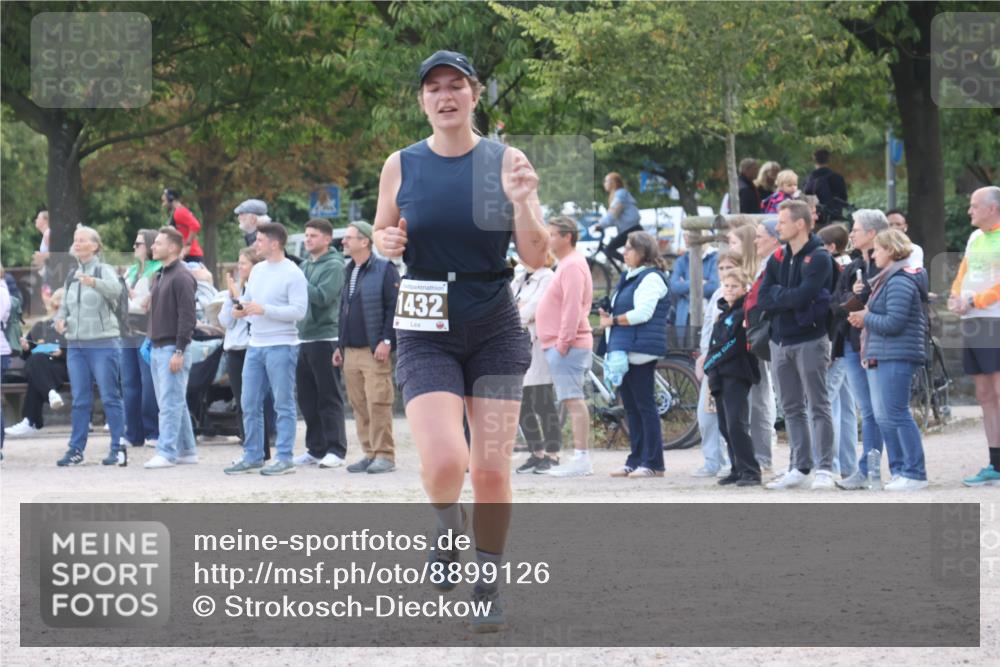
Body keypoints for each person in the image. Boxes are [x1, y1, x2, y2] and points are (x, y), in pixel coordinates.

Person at [372, 50, 544, 632]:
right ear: (422, 100)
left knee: (491, 469)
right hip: (424, 323)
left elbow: (537, 256)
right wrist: (386, 242)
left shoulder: (505, 160)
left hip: (492, 320)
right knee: (446, 461)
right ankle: (448, 529)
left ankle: (488, 581)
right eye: (434, 88)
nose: (445, 96)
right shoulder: (400, 164)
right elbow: (383, 228)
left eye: (456, 86)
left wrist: (523, 201)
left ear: (474, 94)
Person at [758, 200, 837, 490]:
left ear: (800, 224)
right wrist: (787, 296)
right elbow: (763, 297)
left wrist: (781, 295)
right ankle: (799, 467)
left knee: (818, 405)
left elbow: (806, 295)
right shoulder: (777, 258)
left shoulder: (819, 258)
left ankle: (825, 468)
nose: (777, 227)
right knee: (790, 408)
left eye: (782, 222)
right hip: (780, 341)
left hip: (810, 340)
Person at [224, 222, 308, 476]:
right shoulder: (258, 270)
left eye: (260, 240)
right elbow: (250, 301)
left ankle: (284, 458)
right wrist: (241, 309)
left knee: (283, 404)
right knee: (248, 402)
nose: (255, 244)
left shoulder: (293, 273)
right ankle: (253, 455)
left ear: (275, 243)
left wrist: (264, 310)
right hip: (255, 344)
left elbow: (299, 311)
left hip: (282, 345)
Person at [847, 229, 929, 490]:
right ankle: (900, 471)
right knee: (885, 416)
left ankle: (914, 473)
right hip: (883, 352)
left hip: (896, 354)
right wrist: (866, 318)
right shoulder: (888, 279)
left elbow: (894, 322)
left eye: (878, 249)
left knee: (896, 413)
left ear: (892, 250)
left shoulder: (899, 281)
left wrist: (866, 317)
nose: (873, 255)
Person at [53, 226, 127, 467]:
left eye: (82, 240)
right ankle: (76, 449)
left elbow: (117, 291)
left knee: (110, 396)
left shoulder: (104, 270)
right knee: (80, 400)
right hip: (76, 345)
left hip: (103, 343)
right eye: (75, 240)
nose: (77, 243)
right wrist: (60, 320)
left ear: (95, 246)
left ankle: (118, 449)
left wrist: (93, 282)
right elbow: (64, 306)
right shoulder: (71, 275)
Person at [599, 231, 670, 477]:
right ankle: (636, 458)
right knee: (631, 408)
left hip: (640, 349)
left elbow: (642, 313)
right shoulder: (630, 276)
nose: (624, 252)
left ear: (642, 252)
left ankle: (653, 463)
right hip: (625, 349)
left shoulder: (651, 278)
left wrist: (613, 320)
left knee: (645, 407)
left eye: (629, 248)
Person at [334, 221, 401, 474]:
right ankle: (370, 452)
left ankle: (385, 455)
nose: (343, 241)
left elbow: (394, 307)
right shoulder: (349, 270)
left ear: (364, 241)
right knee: (359, 404)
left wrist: (387, 340)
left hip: (374, 351)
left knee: (378, 402)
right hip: (350, 351)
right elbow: (343, 310)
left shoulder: (385, 269)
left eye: (349, 237)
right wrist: (339, 345)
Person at [833, 209, 890, 489]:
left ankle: (895, 469)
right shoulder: (852, 266)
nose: (851, 234)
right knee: (866, 410)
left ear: (871, 233)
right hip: (852, 343)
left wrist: (863, 297)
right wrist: (853, 297)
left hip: (876, 343)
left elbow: (886, 301)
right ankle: (866, 470)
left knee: (880, 410)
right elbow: (835, 300)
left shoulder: (888, 265)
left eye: (855, 229)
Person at [536, 216, 594, 477]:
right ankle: (580, 457)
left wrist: (563, 343)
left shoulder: (572, 265)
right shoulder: (567, 264)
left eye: (552, 234)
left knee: (573, 399)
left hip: (568, 345)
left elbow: (572, 306)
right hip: (562, 345)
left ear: (567, 237)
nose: (547, 239)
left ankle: (582, 458)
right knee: (571, 399)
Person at [293, 218, 349, 470]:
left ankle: (336, 449)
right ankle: (315, 449)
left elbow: (323, 297)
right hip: (303, 337)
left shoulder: (334, 266)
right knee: (307, 399)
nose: (308, 240)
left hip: (325, 338)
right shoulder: (305, 265)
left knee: (329, 397)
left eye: (313, 235)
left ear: (327, 239)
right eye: (306, 235)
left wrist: (299, 281)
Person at [954, 187, 1000, 487]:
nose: (969, 211)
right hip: (973, 322)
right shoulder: (974, 238)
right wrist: (955, 297)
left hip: (995, 320)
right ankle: (995, 464)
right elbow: (963, 273)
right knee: (984, 395)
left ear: (992, 208)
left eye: (974, 205)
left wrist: (975, 300)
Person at [144, 227, 199, 469]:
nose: (153, 247)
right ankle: (187, 450)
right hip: (158, 347)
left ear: (173, 248)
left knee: (170, 403)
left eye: (158, 243)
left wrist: (179, 350)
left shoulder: (182, 276)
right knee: (174, 401)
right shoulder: (161, 275)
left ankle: (166, 451)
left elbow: (188, 317)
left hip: (172, 348)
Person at [705, 267, 761, 486]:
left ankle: (751, 471)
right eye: (726, 286)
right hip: (719, 373)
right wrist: (710, 365)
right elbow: (714, 342)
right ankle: (736, 468)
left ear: (744, 288)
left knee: (737, 423)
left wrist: (712, 361)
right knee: (724, 425)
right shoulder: (722, 313)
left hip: (737, 372)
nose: (729, 290)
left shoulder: (743, 312)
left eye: (734, 286)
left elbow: (735, 344)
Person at [725, 222, 773, 471]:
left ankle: (762, 456)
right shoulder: (734, 273)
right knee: (738, 404)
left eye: (733, 242)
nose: (729, 247)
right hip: (736, 344)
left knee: (759, 400)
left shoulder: (760, 271)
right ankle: (740, 457)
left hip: (755, 341)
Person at [219, 247, 274, 461]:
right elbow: (225, 320)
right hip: (234, 350)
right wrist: (232, 301)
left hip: (251, 348)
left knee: (254, 402)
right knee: (241, 403)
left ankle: (260, 450)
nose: (239, 267)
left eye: (243, 263)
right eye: (239, 263)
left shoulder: (259, 288)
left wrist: (238, 300)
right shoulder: (236, 288)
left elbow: (252, 315)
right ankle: (249, 448)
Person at [693, 250, 741, 477]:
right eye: (721, 268)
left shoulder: (741, 294)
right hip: (712, 361)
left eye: (729, 267)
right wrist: (704, 354)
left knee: (730, 416)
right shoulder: (716, 295)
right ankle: (712, 460)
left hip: (731, 362)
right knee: (706, 415)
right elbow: (708, 327)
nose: (724, 272)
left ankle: (732, 461)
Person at [511, 252, 560, 474]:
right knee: (521, 403)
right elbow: (506, 307)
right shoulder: (519, 277)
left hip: (537, 345)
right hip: (517, 344)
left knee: (543, 401)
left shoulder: (548, 277)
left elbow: (534, 309)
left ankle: (553, 453)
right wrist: (519, 309)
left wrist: (520, 310)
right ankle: (536, 451)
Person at [816, 224, 858, 480]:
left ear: (831, 247)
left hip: (837, 340)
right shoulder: (851, 267)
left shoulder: (837, 270)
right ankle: (848, 464)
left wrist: (830, 344)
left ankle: (828, 463)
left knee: (827, 402)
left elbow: (834, 310)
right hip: (847, 340)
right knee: (845, 404)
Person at [5, 288, 67, 437]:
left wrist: (62, 350)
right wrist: (26, 347)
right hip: (42, 366)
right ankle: (50, 393)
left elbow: (79, 350)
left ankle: (30, 421)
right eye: (56, 306)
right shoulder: (41, 325)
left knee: (35, 367)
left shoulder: (73, 327)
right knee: (35, 362)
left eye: (62, 307)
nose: (58, 310)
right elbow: (28, 352)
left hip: (63, 366)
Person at [121, 229, 161, 449]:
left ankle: (152, 430)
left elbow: (152, 300)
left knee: (148, 383)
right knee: (129, 383)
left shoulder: (158, 269)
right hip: (128, 329)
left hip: (146, 331)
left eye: (138, 244)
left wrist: (141, 297)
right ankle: (133, 432)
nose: (134, 247)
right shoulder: (132, 270)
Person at [669, 230, 719, 336]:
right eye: (684, 235)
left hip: (708, 314)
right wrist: (699, 282)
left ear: (703, 235)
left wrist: (685, 286)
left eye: (688, 235)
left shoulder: (715, 258)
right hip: (684, 316)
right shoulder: (682, 260)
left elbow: (713, 287)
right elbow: (674, 287)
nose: (685, 238)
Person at [595, 172, 642, 263]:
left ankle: (632, 265)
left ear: (613, 183)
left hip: (631, 230)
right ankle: (633, 265)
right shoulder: (618, 194)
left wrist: (600, 225)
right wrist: (602, 224)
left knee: (609, 249)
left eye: (606, 181)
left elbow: (613, 214)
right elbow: (614, 218)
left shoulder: (620, 194)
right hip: (630, 229)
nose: (604, 183)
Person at [803, 149, 849, 224]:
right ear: (828, 160)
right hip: (835, 219)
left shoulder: (810, 179)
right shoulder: (837, 177)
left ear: (814, 160)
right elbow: (844, 199)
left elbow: (805, 199)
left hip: (815, 220)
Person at [161, 188, 204, 264]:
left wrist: (187, 244)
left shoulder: (180, 212)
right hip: (187, 255)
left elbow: (195, 225)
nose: (163, 203)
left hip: (191, 255)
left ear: (171, 198)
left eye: (165, 200)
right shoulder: (176, 212)